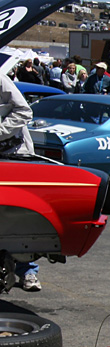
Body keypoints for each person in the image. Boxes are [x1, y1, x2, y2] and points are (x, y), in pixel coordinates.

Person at [1, 75, 42, 290]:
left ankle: (27, 271)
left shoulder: (0, 80)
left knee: (20, 215)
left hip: (16, 153)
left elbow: (24, 111)